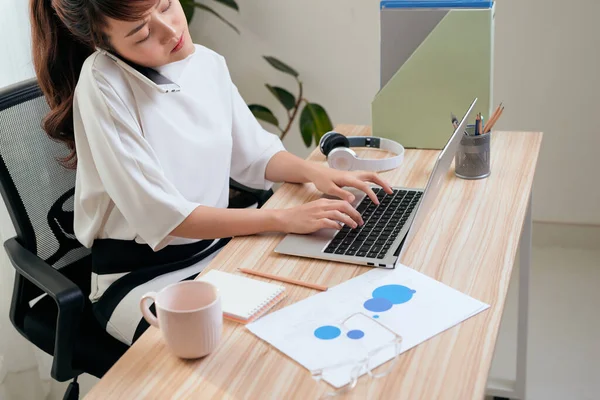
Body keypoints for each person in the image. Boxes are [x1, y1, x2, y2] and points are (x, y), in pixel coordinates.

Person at [30, 0, 393, 346]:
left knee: (315, 305)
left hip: (219, 251)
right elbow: (167, 218)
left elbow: (255, 155)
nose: (169, 30)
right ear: (103, 43)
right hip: (142, 279)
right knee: (241, 351)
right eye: (141, 33)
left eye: (166, 6)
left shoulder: (205, 62)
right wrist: (282, 217)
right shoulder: (102, 85)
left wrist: (317, 173)